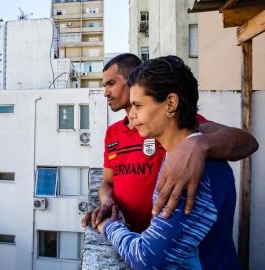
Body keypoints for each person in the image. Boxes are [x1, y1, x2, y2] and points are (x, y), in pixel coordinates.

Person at [82, 53, 258, 232]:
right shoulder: (113, 133)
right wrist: (108, 203)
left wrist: (199, 144)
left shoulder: (169, 123)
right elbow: (107, 182)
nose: (105, 92)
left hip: (165, 241)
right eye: (104, 86)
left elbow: (247, 142)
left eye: (111, 84)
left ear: (133, 78)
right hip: (129, 238)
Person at [98, 55, 241, 269]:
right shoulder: (178, 153)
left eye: (137, 105)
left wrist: (109, 225)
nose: (132, 115)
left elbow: (147, 259)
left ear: (171, 104)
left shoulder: (190, 169)